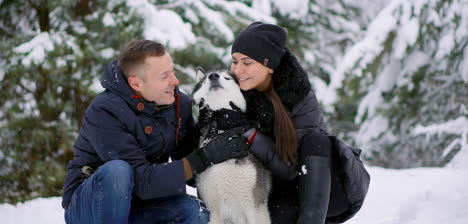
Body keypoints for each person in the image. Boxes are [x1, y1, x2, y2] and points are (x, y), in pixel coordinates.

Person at [62, 40, 250, 224]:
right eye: (164, 76)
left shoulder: (177, 104)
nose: (175, 81)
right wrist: (203, 157)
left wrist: (220, 134)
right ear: (136, 83)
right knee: (117, 171)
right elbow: (142, 181)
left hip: (141, 204)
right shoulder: (105, 111)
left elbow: (191, 163)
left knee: (194, 211)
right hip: (92, 207)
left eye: (172, 71)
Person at [230, 22, 333, 224]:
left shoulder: (298, 94)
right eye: (234, 61)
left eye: (247, 62)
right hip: (257, 188)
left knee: (318, 140)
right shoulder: (230, 93)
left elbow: (293, 167)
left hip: (302, 185)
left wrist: (252, 136)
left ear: (269, 66)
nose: (237, 70)